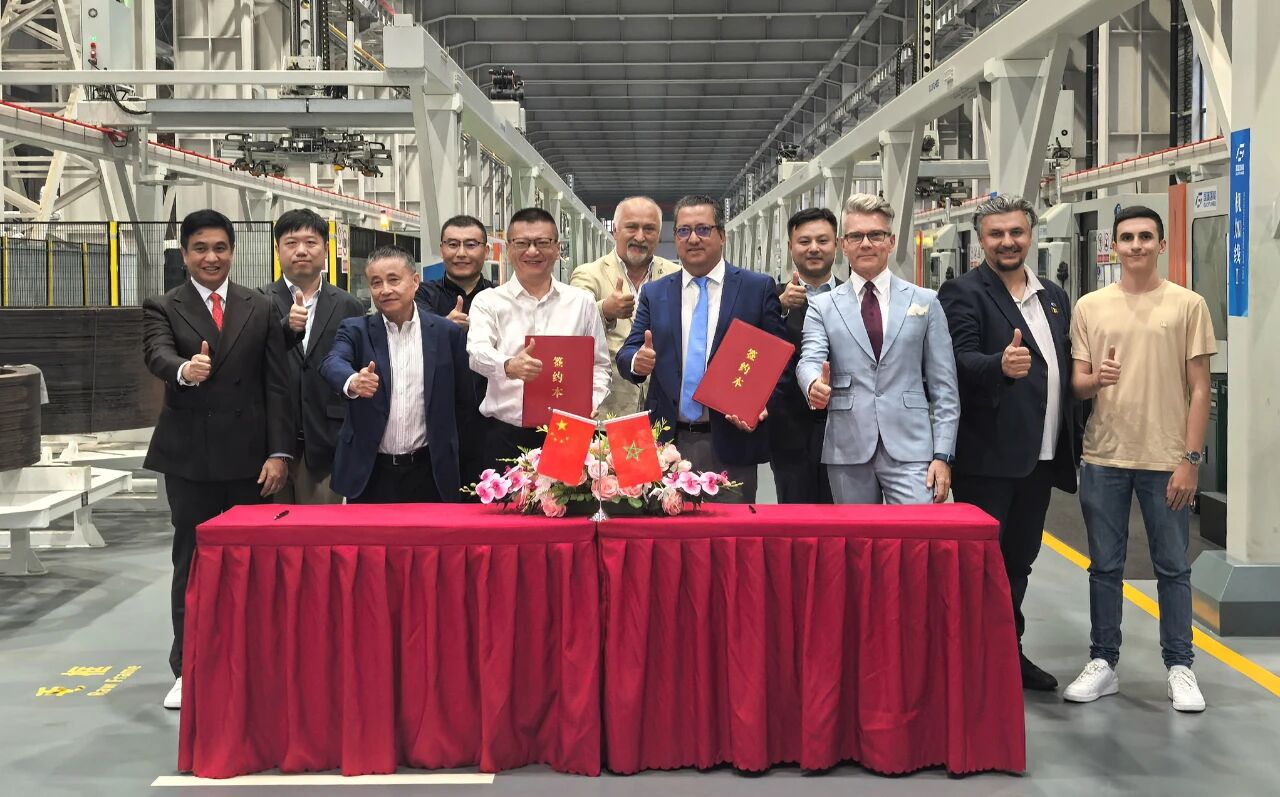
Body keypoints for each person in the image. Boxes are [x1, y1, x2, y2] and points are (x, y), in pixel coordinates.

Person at [1062, 205, 1215, 712]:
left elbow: (1200, 389)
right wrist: (1096, 380)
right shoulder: (1090, 307)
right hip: (1104, 456)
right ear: (1114, 246)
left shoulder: (1188, 304)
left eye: (1146, 237)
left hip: (1166, 459)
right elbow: (1077, 384)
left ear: (1161, 244)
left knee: (1172, 566)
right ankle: (1103, 661)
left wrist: (1190, 459)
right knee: (1104, 566)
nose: (1136, 246)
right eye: (1126, 238)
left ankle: (1180, 666)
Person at [141, 208, 292, 710]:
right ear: (185, 255)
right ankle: (188, 668)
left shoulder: (260, 306)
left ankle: (259, 663)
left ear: (233, 252)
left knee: (256, 564)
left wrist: (278, 452)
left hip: (252, 462)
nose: (212, 257)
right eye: (201, 249)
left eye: (220, 248)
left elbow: (276, 385)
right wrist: (185, 370)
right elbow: (156, 355)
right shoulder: (164, 306)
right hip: (191, 460)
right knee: (192, 562)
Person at [937, 194, 1078, 692]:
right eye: (996, 234)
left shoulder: (1053, 295)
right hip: (989, 457)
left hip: (1040, 457)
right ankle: (973, 659)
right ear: (981, 240)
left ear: (1030, 235)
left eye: (1016, 232)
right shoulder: (963, 292)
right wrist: (997, 365)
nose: (1007, 242)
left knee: (1019, 560)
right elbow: (956, 359)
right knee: (983, 564)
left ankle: (1006, 652)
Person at [616, 194, 786, 503]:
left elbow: (780, 361)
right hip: (668, 443)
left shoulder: (756, 288)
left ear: (722, 235)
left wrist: (764, 404)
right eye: (683, 231)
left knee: (730, 530)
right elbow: (627, 352)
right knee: (667, 529)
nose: (693, 238)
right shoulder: (655, 293)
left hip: (732, 442)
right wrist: (636, 361)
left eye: (703, 229)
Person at [796, 193, 959, 505]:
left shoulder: (925, 301)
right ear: (843, 245)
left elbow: (945, 386)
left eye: (876, 235)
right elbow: (809, 358)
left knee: (915, 534)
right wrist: (813, 383)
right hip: (848, 447)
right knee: (855, 536)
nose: (866, 244)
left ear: (891, 241)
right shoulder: (822, 306)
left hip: (912, 449)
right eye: (856, 236)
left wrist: (943, 454)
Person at [320, 246, 474, 503]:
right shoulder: (356, 330)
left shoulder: (446, 333)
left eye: (393, 280)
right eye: (376, 283)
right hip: (371, 472)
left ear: (415, 281)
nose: (385, 290)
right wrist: (353, 380)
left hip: (430, 471)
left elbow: (464, 404)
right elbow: (332, 361)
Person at [466, 207, 611, 467]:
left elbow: (599, 365)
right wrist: (508, 365)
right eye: (522, 243)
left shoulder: (582, 302)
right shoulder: (488, 301)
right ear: (509, 248)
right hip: (506, 435)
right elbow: (476, 353)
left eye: (542, 243)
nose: (532, 251)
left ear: (557, 248)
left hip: (568, 432)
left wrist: (589, 401)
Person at [260, 208, 364, 504]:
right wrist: (284, 328)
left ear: (326, 249)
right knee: (272, 528)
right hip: (270, 443)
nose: (301, 251)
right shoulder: (257, 302)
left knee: (320, 529)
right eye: (291, 243)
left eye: (311, 242)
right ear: (277, 250)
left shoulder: (349, 305)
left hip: (327, 442)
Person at [570, 196, 680, 418]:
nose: (640, 236)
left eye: (649, 229)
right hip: (608, 409)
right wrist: (604, 311)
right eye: (632, 227)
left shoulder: (676, 276)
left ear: (659, 235)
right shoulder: (588, 274)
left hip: (664, 409)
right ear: (615, 230)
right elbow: (573, 328)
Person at [414, 214, 497, 484]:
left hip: (491, 422)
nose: (461, 253)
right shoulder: (421, 295)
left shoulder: (501, 298)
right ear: (441, 249)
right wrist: (443, 326)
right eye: (452, 244)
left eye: (471, 245)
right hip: (434, 420)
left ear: (486, 251)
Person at [769, 207, 841, 504]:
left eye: (822, 240)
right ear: (790, 247)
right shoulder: (770, 297)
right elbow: (752, 350)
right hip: (790, 433)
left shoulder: (856, 295)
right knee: (795, 518)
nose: (813, 248)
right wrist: (780, 308)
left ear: (837, 244)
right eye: (804, 241)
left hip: (847, 431)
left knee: (847, 517)